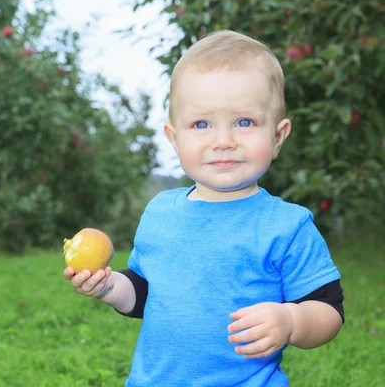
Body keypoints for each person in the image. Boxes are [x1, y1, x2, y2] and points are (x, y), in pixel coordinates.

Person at [63, 30, 344, 387]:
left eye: (245, 122)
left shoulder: (287, 227)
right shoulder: (160, 213)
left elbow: (328, 310)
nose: (223, 141)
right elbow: (145, 292)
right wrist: (109, 286)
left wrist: (292, 320)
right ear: (174, 139)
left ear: (277, 136)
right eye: (201, 124)